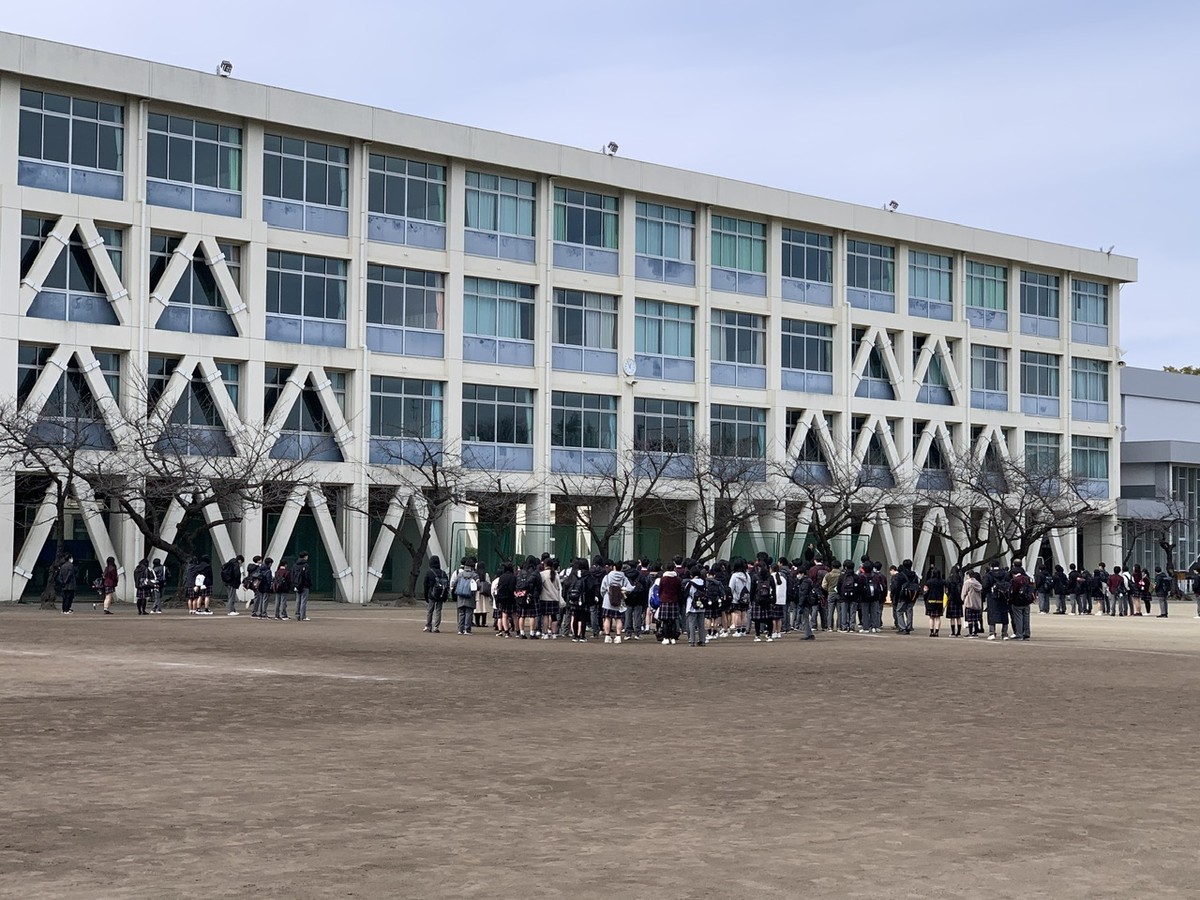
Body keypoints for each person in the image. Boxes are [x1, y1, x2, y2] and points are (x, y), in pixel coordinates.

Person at [599, 559, 632, 644]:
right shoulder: (624, 578)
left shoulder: (607, 577)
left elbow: (602, 589)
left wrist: (605, 596)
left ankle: (607, 636)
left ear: (614, 567)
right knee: (618, 619)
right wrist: (623, 591)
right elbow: (630, 588)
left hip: (608, 600)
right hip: (619, 600)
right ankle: (618, 636)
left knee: (607, 618)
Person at [514, 556, 543, 639]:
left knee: (521, 615)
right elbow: (539, 585)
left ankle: (522, 633)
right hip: (532, 596)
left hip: (521, 595)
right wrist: (537, 593)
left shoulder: (520, 572)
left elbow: (517, 583)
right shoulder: (535, 572)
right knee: (532, 615)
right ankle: (532, 633)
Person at [655, 562, 683, 645]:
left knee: (665, 621)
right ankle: (673, 638)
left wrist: (661, 597)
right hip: (674, 600)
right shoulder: (677, 579)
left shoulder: (663, 579)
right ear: (674, 568)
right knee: (673, 621)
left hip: (664, 600)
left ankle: (666, 638)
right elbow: (679, 590)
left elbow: (660, 589)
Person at [983, 561, 1011, 640]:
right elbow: (1009, 583)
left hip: (992, 597)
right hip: (1003, 598)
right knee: (1004, 615)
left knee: (992, 615)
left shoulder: (989, 575)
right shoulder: (1005, 574)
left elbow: (985, 586)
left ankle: (992, 633)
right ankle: (1004, 634)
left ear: (991, 566)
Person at [451, 556, 479, 635]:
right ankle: (467, 629)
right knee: (468, 613)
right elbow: (479, 585)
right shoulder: (474, 575)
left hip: (460, 596)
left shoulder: (460, 574)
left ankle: (460, 630)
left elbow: (454, 583)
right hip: (470, 596)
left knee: (461, 613)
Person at [891, 559, 919, 635]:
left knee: (899, 611)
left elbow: (897, 587)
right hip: (912, 596)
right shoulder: (914, 575)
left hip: (903, 596)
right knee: (909, 611)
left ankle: (902, 627)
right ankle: (909, 626)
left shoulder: (901, 575)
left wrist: (896, 598)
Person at [422, 555, 449, 633]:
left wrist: (426, 595)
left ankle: (428, 626)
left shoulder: (429, 572)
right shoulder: (443, 573)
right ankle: (436, 627)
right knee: (438, 610)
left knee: (430, 610)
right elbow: (446, 585)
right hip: (441, 594)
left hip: (432, 594)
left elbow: (425, 584)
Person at [538, 557, 562, 639]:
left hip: (544, 598)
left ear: (545, 565)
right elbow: (559, 587)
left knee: (545, 616)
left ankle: (545, 633)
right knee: (554, 617)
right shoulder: (555, 574)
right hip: (555, 598)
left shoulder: (542, 574)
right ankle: (554, 634)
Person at [685, 564, 708, 646]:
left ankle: (692, 640)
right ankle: (702, 640)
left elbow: (686, 594)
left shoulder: (690, 583)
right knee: (701, 624)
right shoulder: (704, 582)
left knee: (691, 624)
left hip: (692, 605)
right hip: (702, 605)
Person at [1009, 560, 1033, 640]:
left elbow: (1013, 591)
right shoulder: (1027, 578)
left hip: (1017, 601)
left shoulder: (1014, 580)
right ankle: (1026, 633)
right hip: (1027, 600)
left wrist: (1011, 598)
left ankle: (1019, 634)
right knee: (1026, 617)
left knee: (1018, 618)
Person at [493, 561, 517, 637]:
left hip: (502, 598)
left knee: (504, 615)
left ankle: (506, 631)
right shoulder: (514, 577)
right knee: (514, 615)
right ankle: (518, 631)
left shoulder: (501, 577)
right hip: (512, 598)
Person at [923, 567, 944, 637]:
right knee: (938, 617)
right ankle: (937, 632)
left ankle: (931, 632)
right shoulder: (942, 581)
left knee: (931, 617)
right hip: (939, 601)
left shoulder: (929, 581)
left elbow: (925, 591)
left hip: (930, 601)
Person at [962, 570, 983, 637]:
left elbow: (964, 592)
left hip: (969, 602)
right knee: (976, 619)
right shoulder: (977, 583)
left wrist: (963, 599)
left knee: (970, 619)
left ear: (968, 575)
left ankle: (970, 633)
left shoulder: (967, 583)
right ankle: (975, 632)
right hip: (977, 603)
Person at [944, 565, 964, 637]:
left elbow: (946, 590)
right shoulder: (960, 579)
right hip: (958, 599)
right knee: (958, 617)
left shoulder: (949, 579)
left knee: (952, 617)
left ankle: (953, 632)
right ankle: (958, 632)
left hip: (951, 599)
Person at [293, 551, 313, 621]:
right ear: (305, 556)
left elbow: (293, 575)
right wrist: (309, 583)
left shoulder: (295, 565)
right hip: (305, 585)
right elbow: (307, 576)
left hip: (297, 585)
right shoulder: (306, 565)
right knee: (303, 601)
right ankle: (303, 616)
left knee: (298, 600)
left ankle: (297, 615)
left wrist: (295, 583)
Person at [473, 559, 490, 630]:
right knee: (484, 607)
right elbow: (488, 583)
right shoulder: (486, 574)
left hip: (477, 592)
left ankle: (477, 622)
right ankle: (484, 622)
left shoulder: (475, 574)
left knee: (477, 608)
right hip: (484, 593)